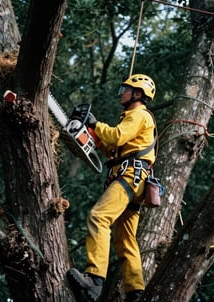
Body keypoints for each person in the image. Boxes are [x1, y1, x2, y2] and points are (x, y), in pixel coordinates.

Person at [67, 74, 157, 302]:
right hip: (135, 181)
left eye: (125, 90)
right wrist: (95, 135)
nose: (122, 93)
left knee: (99, 217)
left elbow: (117, 136)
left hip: (130, 176)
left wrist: (95, 124)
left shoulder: (139, 115)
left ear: (138, 94)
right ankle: (135, 292)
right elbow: (112, 148)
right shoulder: (131, 117)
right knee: (125, 239)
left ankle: (94, 280)